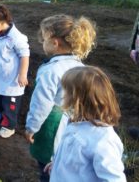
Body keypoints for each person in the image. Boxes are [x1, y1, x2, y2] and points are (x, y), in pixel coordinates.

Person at [24, 14, 96, 181]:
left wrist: (31, 128)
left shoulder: (50, 70)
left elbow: (41, 104)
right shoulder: (80, 66)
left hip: (52, 125)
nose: (42, 43)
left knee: (47, 166)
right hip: (74, 124)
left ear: (54, 43)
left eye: (44, 40)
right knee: (64, 163)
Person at [47, 66, 125, 181]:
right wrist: (58, 164)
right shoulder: (75, 122)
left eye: (66, 91)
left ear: (79, 99)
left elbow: (114, 179)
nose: (63, 96)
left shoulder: (103, 141)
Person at [0, 4, 30, 138]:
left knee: (9, 105)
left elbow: (24, 55)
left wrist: (22, 74)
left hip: (11, 80)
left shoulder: (16, 37)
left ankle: (9, 126)